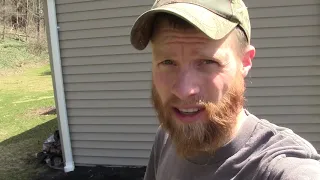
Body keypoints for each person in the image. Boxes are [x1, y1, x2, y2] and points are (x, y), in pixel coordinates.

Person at [129, 0, 320, 179]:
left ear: (245, 62)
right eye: (168, 62)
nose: (184, 90)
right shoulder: (168, 136)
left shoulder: (277, 165)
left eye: (207, 62)